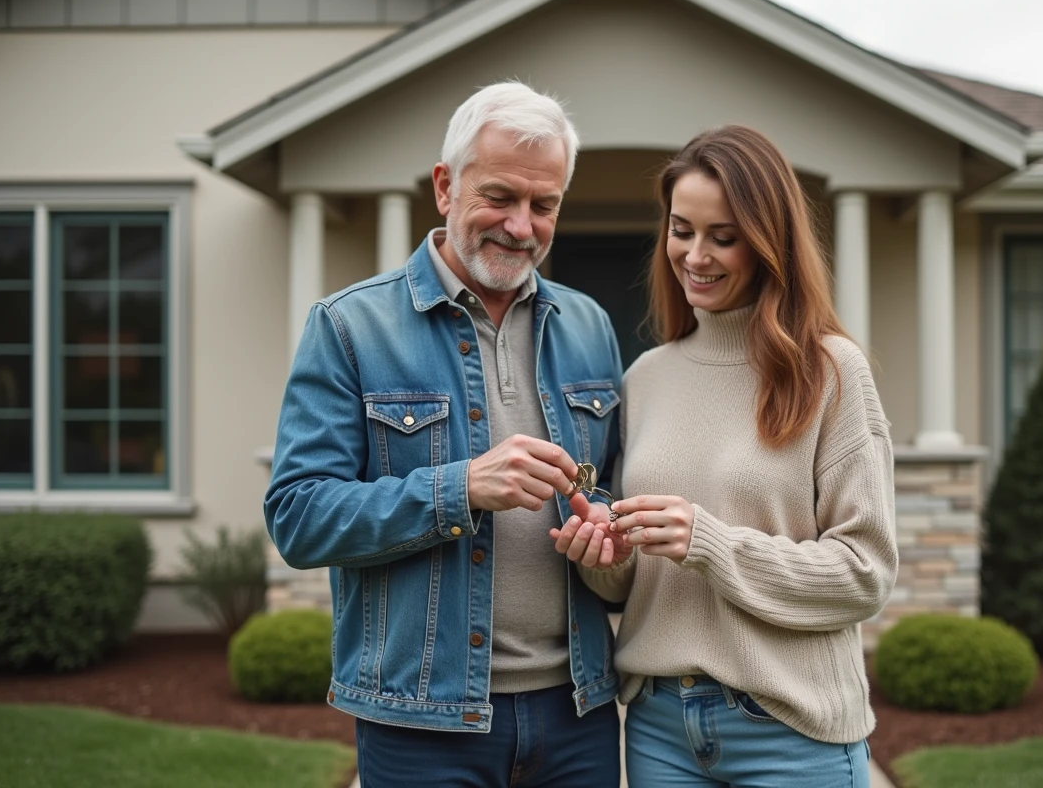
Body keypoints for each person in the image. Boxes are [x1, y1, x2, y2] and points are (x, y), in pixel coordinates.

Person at [264, 81, 624, 788]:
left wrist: (605, 527)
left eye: (543, 205)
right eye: (499, 197)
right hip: (421, 723)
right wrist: (457, 488)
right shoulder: (349, 327)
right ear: (444, 187)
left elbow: (606, 485)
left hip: (577, 713)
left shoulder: (590, 326)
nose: (521, 226)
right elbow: (298, 517)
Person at [551, 125, 898, 787]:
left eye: (724, 236)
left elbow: (865, 575)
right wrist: (608, 558)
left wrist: (711, 542)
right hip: (658, 731)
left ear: (770, 242)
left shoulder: (830, 373)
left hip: (791, 733)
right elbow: (637, 583)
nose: (695, 256)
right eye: (682, 230)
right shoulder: (645, 378)